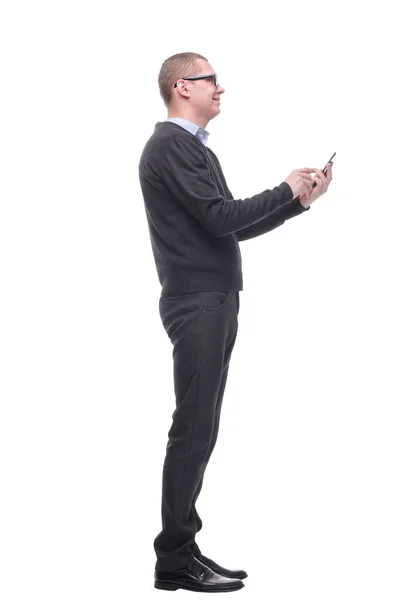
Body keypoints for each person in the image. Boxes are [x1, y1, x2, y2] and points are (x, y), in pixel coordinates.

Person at [138, 52, 333, 593]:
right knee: (193, 431)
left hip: (213, 298)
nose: (220, 88)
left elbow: (226, 229)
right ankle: (173, 559)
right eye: (211, 79)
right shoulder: (171, 145)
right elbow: (223, 217)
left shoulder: (190, 148)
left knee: (202, 431)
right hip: (198, 301)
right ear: (183, 87)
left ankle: (184, 547)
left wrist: (299, 202)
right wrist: (285, 188)